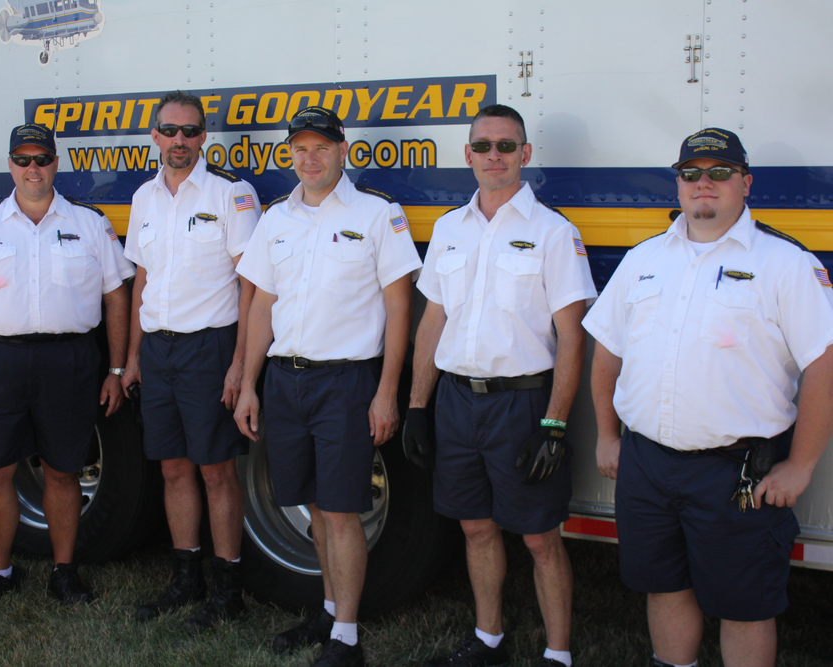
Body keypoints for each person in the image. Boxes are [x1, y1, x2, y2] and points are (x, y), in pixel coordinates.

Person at [583, 128, 833, 667]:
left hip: (736, 473)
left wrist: (802, 465)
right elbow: (607, 353)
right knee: (664, 587)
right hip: (647, 465)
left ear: (745, 183)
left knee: (743, 608)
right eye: (691, 173)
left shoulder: (786, 264)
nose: (704, 183)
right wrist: (606, 434)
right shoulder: (643, 258)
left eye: (719, 172)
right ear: (677, 184)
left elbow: (823, 368)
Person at [405, 104, 595, 667]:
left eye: (506, 146)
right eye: (483, 146)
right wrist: (418, 406)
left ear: (526, 155)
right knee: (476, 528)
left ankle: (557, 654)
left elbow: (572, 337)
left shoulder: (554, 233)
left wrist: (555, 426)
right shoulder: (447, 229)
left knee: (539, 537)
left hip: (522, 404)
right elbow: (432, 321)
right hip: (457, 401)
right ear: (467, 155)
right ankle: (489, 639)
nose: (494, 156)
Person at [234, 106, 421, 667]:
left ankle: (346, 637)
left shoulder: (377, 214)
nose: (309, 157)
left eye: (321, 146)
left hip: (346, 382)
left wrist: (387, 392)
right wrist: (247, 383)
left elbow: (398, 306)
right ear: (289, 153)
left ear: (343, 150)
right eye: (300, 147)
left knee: (340, 511)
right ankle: (329, 608)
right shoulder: (275, 219)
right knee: (315, 507)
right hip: (286, 381)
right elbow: (263, 305)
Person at [0, 123, 134, 605]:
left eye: (41, 158)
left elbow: (117, 299)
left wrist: (117, 369)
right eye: (22, 159)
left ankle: (65, 571)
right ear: (10, 166)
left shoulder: (89, 223)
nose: (32, 168)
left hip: (69, 361)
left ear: (55, 163)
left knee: (63, 472)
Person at [123, 91, 261, 632]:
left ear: (204, 137)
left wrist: (239, 364)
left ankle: (227, 589)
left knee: (215, 470)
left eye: (190, 131)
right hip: (158, 349)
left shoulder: (231, 193)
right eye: (170, 130)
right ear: (155, 136)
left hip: (209, 349)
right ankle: (187, 579)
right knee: (173, 467)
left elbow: (252, 284)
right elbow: (142, 279)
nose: (180, 140)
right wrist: (132, 357)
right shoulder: (143, 198)